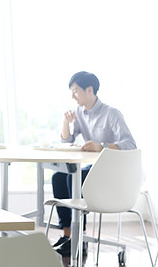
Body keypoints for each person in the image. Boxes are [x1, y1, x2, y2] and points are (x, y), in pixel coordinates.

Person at [52, 71, 136, 257]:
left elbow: (130, 144)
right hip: (93, 170)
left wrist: (102, 146)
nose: (72, 96)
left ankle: (78, 238)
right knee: (59, 177)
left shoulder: (112, 114)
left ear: (89, 90)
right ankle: (68, 236)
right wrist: (65, 122)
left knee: (75, 178)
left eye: (75, 91)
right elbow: (67, 142)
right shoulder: (81, 113)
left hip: (112, 173)